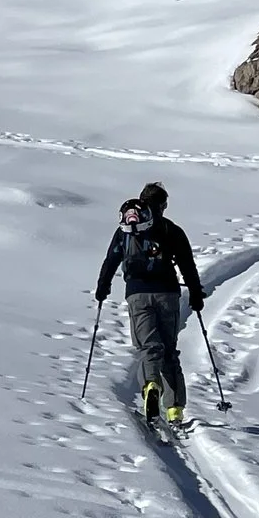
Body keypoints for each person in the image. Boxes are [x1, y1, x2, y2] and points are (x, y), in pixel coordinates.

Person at [95, 182, 206, 424]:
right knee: (169, 350)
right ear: (163, 205)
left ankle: (151, 385)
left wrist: (103, 288)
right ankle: (175, 408)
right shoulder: (171, 230)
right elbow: (187, 265)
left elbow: (111, 260)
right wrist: (196, 294)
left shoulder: (126, 230)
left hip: (137, 294)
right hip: (168, 293)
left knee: (149, 346)